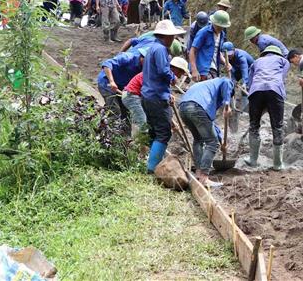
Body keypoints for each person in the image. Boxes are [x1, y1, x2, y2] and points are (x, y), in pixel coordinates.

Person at [142, 20, 188, 173]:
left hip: (148, 95)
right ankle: (152, 168)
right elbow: (163, 71)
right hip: (156, 96)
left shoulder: (152, 48)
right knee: (163, 132)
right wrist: (173, 79)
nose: (173, 38)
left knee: (154, 131)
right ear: (166, 36)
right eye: (173, 36)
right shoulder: (161, 49)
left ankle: (152, 161)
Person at [179, 77, 234, 187]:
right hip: (197, 107)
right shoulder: (224, 81)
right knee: (212, 143)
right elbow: (227, 83)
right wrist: (227, 105)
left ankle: (199, 174)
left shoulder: (207, 89)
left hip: (183, 107)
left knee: (198, 139)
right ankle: (204, 178)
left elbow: (209, 124)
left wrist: (222, 140)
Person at [245, 46, 290, 170]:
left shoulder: (256, 62)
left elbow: (250, 82)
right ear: (278, 54)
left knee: (254, 125)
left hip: (255, 91)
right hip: (275, 90)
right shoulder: (283, 61)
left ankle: (253, 160)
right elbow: (281, 78)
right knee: (277, 126)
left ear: (264, 54)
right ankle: (277, 164)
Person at [97, 49, 145, 118]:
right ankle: (107, 125)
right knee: (115, 111)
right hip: (107, 83)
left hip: (122, 88)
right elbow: (107, 64)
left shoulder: (146, 69)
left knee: (126, 114)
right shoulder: (127, 57)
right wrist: (112, 81)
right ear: (142, 58)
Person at [189, 10, 230, 82]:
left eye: (222, 27)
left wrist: (226, 63)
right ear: (213, 23)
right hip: (203, 70)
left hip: (215, 69)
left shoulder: (222, 35)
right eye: (218, 26)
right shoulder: (204, 32)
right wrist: (194, 69)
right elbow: (192, 50)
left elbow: (217, 52)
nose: (220, 28)